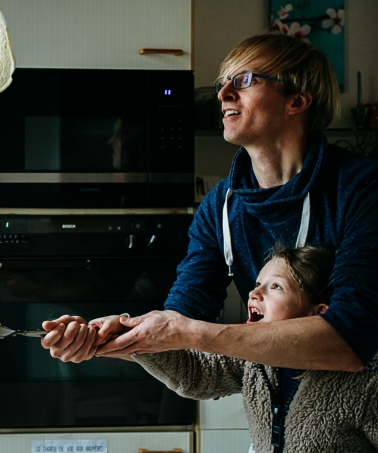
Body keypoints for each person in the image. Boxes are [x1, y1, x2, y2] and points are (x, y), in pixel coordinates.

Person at [41, 32, 378, 373]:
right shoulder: (220, 206)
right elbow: (181, 325)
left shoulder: (362, 189)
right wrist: (110, 337)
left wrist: (190, 332)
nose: (222, 94)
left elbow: (352, 340)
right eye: (223, 82)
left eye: (244, 80)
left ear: (296, 102)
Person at [135, 244, 378, 453]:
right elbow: (195, 375)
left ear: (318, 314)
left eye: (276, 287)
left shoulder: (365, 380)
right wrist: (125, 336)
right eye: (258, 283)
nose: (254, 293)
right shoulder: (253, 360)